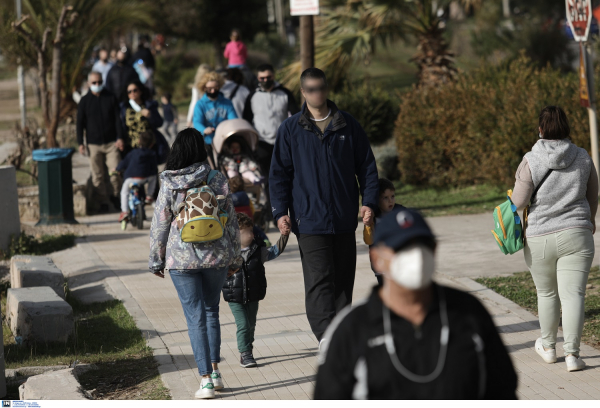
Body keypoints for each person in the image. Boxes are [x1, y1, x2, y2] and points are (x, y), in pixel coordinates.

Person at [314, 208, 518, 399]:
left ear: (435, 250)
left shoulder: (469, 313)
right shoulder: (351, 329)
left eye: (423, 246)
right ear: (377, 258)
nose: (416, 256)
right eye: (401, 248)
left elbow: (503, 391)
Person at [269, 67, 379, 343]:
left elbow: (367, 166)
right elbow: (279, 175)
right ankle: (327, 339)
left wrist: (369, 202)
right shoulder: (291, 129)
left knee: (343, 284)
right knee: (319, 282)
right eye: (313, 89)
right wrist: (280, 212)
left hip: (343, 219)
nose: (319, 93)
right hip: (309, 220)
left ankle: (342, 337)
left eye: (322, 88)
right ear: (304, 93)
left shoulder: (347, 124)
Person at [149, 128, 242, 399]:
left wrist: (156, 259)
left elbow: (160, 223)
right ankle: (215, 372)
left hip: (182, 259)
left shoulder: (170, 182)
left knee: (195, 317)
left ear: (177, 150)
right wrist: (235, 257)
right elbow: (233, 222)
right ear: (201, 150)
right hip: (217, 257)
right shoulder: (217, 178)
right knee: (211, 311)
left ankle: (204, 381)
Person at [510, 106, 598, 372]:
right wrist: (589, 221)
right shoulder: (583, 157)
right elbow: (593, 195)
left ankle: (548, 348)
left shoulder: (530, 159)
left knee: (547, 293)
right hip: (577, 234)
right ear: (567, 128)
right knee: (574, 295)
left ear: (540, 129)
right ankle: (573, 355)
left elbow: (519, 201)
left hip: (540, 237)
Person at [222, 212, 289, 368]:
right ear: (235, 234)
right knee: (243, 325)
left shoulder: (258, 251)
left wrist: (284, 236)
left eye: (252, 231)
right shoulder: (226, 253)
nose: (252, 235)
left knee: (251, 325)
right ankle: (245, 353)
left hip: (254, 295)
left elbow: (275, 251)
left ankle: (248, 349)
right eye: (248, 232)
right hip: (234, 296)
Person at [243, 63, 299, 206]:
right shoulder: (252, 96)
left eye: (268, 77)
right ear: (258, 78)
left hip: (283, 143)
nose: (265, 80)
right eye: (262, 78)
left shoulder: (285, 93)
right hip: (262, 143)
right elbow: (246, 121)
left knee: (288, 176)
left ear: (273, 76)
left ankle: (290, 206)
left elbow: (297, 117)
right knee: (268, 179)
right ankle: (272, 210)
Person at [76, 71, 124, 212]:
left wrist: (119, 137)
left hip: (111, 143)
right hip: (93, 144)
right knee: (97, 175)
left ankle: (116, 197)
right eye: (94, 83)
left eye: (99, 82)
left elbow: (117, 120)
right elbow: (79, 124)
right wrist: (80, 143)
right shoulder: (84, 101)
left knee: (115, 172)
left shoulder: (110, 97)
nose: (97, 85)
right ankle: (103, 201)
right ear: (89, 84)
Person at [364, 178, 406, 286]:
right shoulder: (373, 217)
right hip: (380, 263)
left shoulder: (400, 212)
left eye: (392, 196)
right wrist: (368, 225)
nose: (390, 200)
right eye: (385, 198)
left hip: (398, 263)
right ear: (376, 200)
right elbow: (368, 240)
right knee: (386, 289)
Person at [116, 131, 158, 222]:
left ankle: (124, 211)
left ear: (139, 141)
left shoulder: (133, 152)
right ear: (152, 144)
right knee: (154, 177)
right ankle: (149, 196)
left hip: (131, 178)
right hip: (145, 178)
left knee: (124, 192)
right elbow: (154, 168)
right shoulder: (152, 153)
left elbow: (123, 163)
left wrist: (117, 169)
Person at [192, 71, 237, 147]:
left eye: (215, 88)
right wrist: (204, 130)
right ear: (204, 88)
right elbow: (197, 122)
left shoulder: (227, 103)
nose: (213, 91)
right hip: (208, 141)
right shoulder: (200, 104)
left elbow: (234, 120)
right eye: (210, 89)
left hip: (224, 140)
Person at [229, 175, 270, 246]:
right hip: (247, 220)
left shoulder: (229, 198)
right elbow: (252, 209)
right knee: (256, 230)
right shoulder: (245, 196)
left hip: (235, 222)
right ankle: (265, 240)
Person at [187, 64, 212, 128]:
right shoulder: (213, 85)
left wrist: (189, 119)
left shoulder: (196, 87)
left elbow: (194, 103)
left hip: (201, 112)